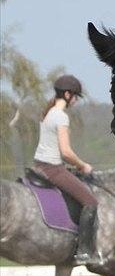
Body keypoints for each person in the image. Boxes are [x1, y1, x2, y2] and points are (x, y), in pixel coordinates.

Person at [32, 74, 100, 264]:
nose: (76, 100)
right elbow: (66, 152)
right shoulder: (61, 116)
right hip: (53, 168)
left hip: (40, 164)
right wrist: (82, 165)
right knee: (91, 202)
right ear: (68, 94)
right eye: (76, 96)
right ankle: (84, 251)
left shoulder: (48, 112)